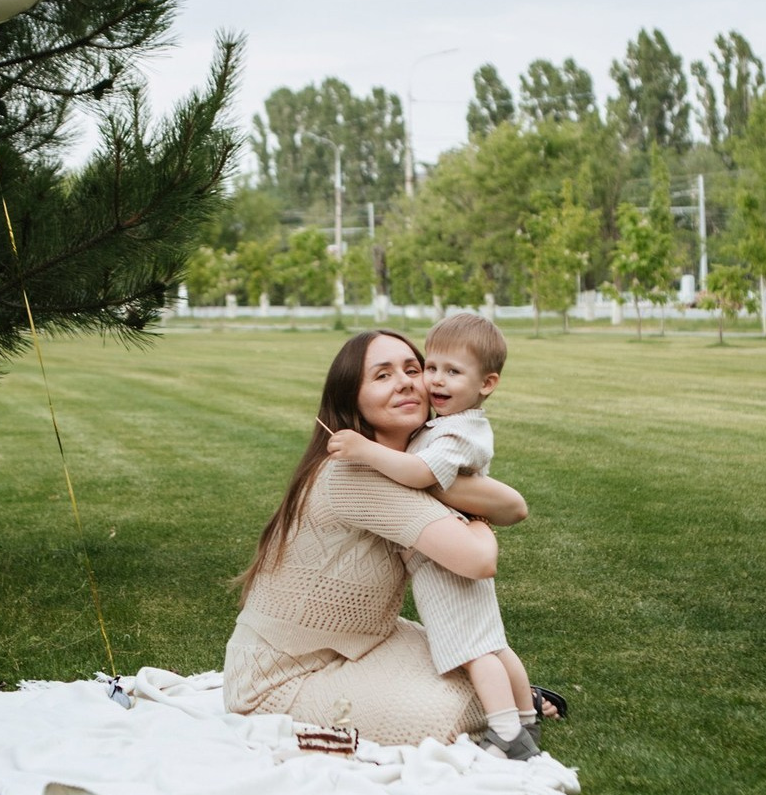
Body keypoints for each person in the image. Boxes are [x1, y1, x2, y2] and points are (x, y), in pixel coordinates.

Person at [224, 329, 530, 751]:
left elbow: (515, 506)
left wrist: (457, 495)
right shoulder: (357, 475)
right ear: (353, 400)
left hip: (366, 641)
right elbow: (479, 560)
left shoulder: (406, 468)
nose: (405, 381)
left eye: (412, 369)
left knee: (471, 658)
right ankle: (514, 710)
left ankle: (513, 707)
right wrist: (479, 519)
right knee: (448, 712)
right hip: (279, 679)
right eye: (382, 376)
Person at [324, 313, 542, 761]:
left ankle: (505, 733)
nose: (435, 382)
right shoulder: (451, 425)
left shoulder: (457, 432)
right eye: (433, 367)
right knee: (493, 643)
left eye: (453, 372)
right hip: (451, 546)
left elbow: (422, 474)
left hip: (444, 558)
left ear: (487, 383)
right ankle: (525, 719)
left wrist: (367, 451)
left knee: (472, 650)